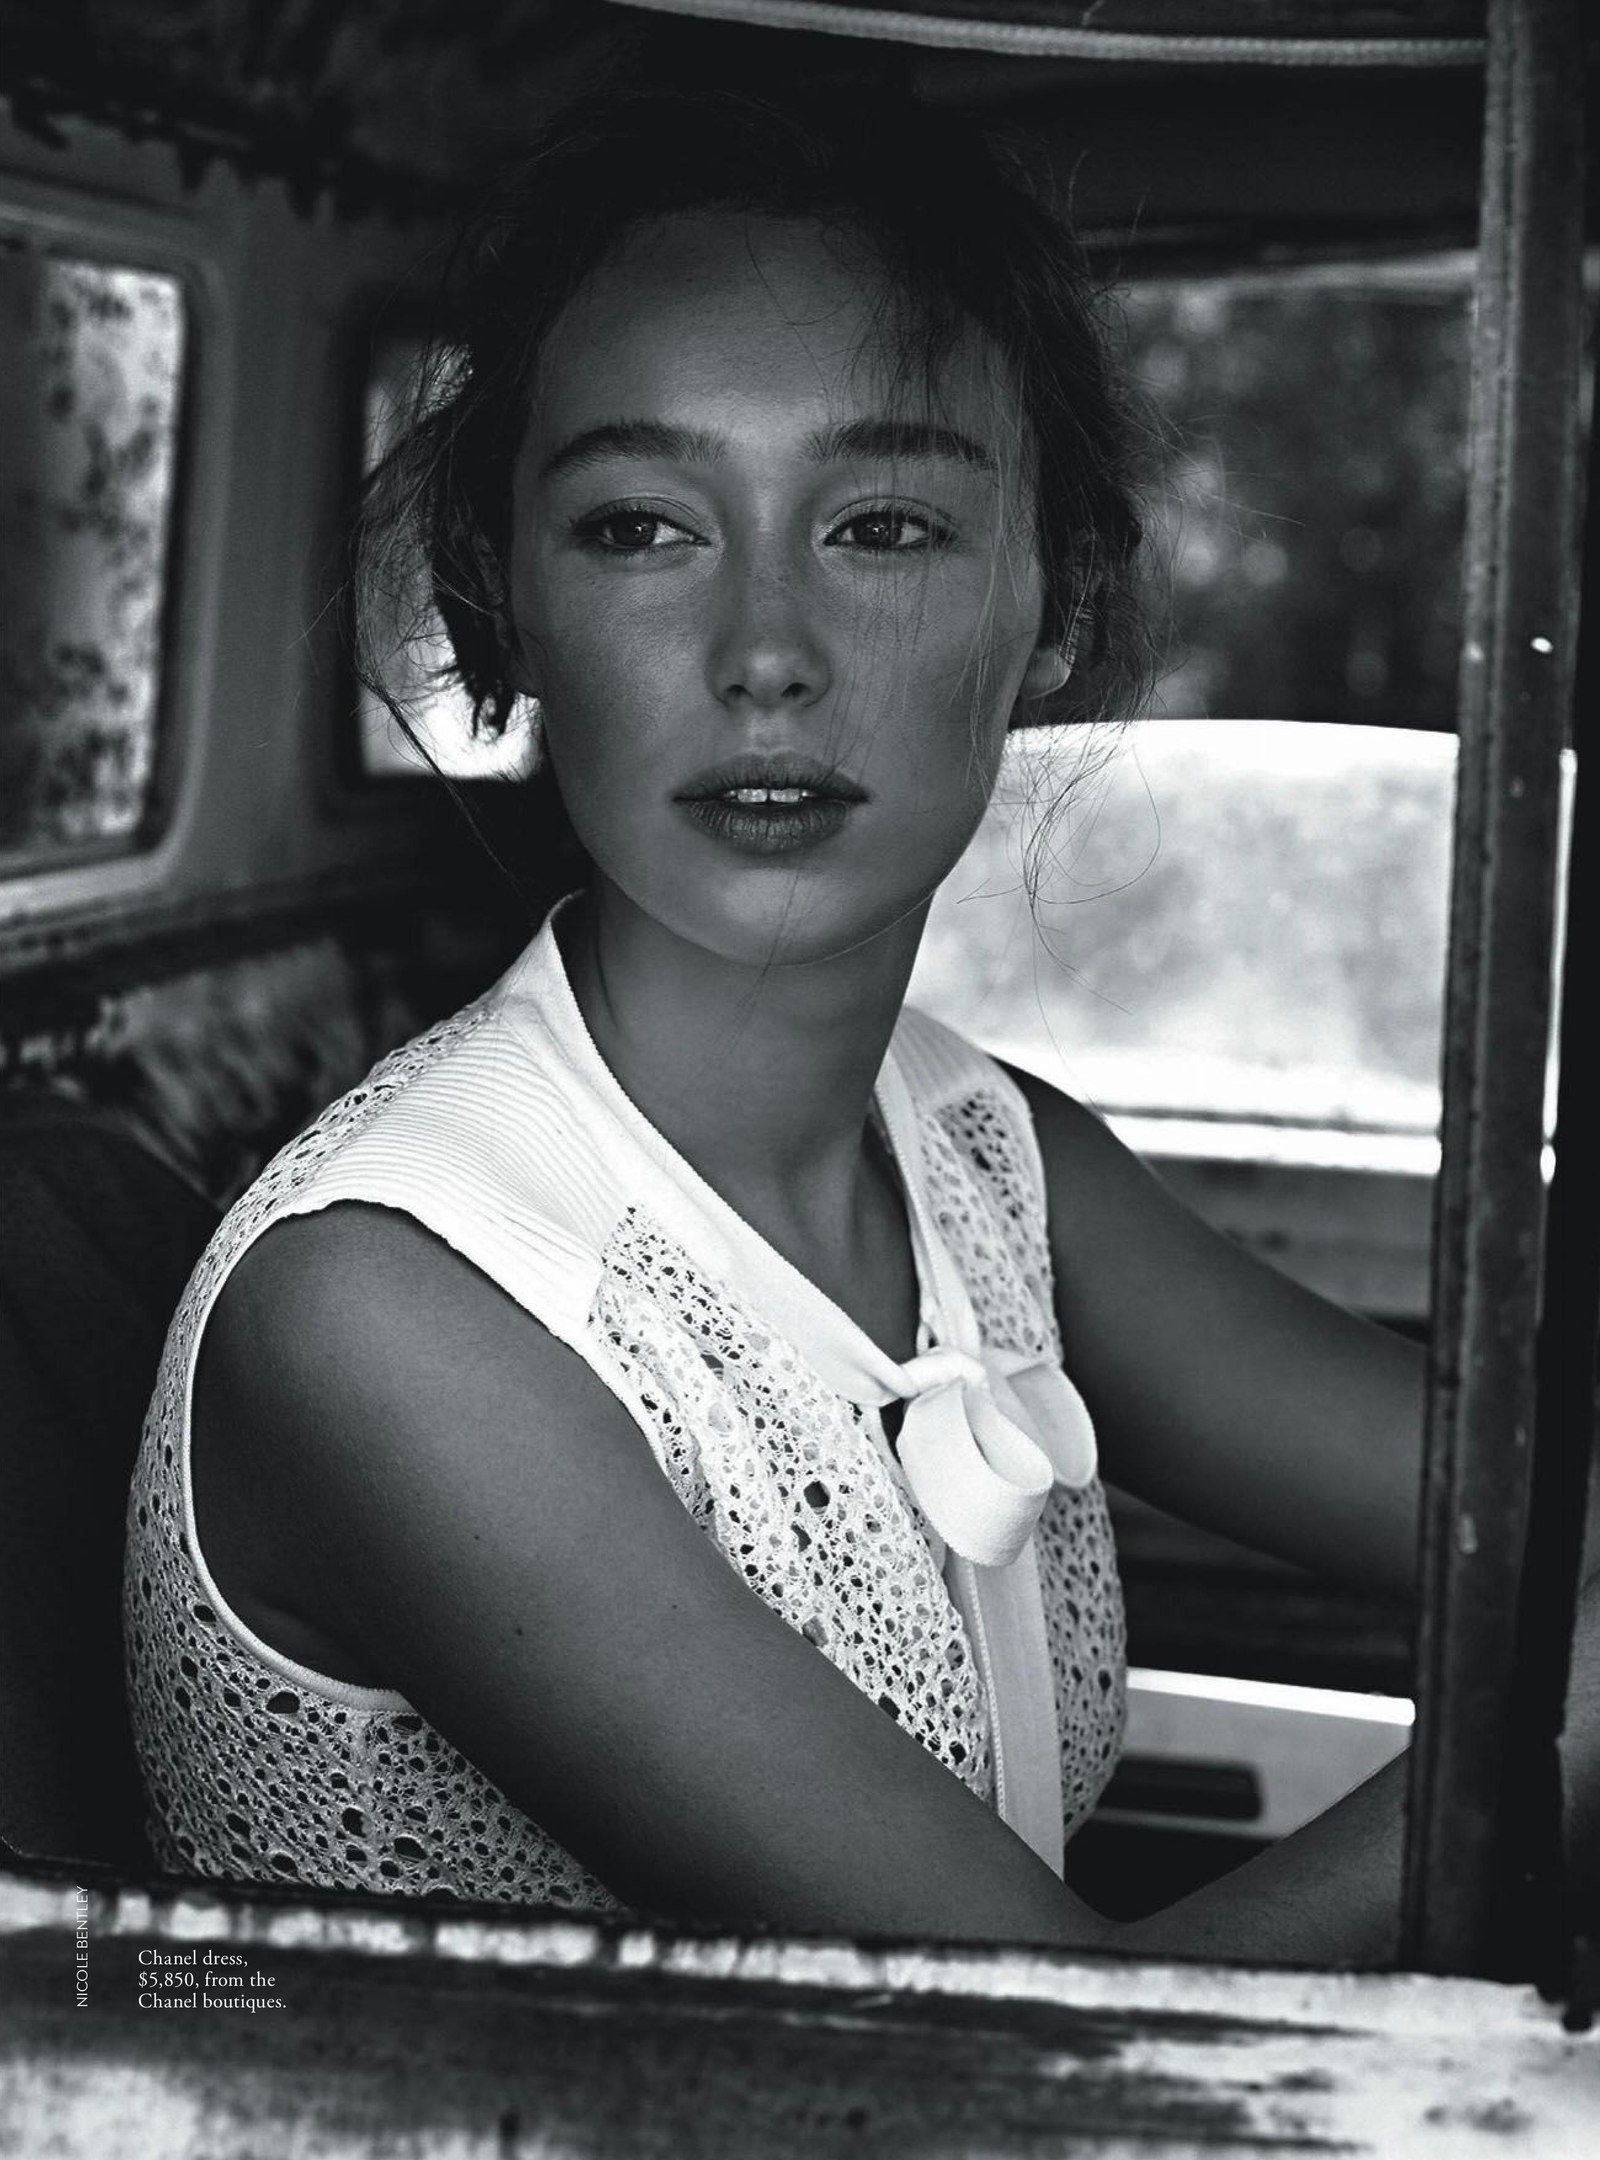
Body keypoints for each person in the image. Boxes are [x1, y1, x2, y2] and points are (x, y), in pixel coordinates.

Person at [122, 84, 1595, 1962]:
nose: (766, 654)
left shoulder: (989, 1154)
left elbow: (1527, 1521)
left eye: (884, 526)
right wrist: (1550, 1748)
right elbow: (1035, 2059)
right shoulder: (389, 1313)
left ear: (1054, 607)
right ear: (502, 613)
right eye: (641, 527)